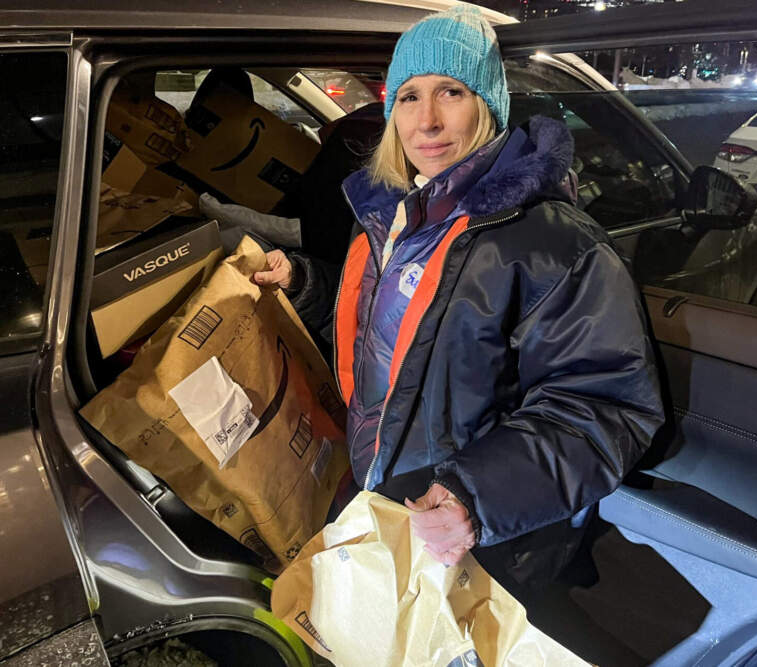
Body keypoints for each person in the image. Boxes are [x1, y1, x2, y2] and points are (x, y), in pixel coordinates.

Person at [254, 5, 665, 605]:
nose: (427, 120)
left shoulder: (553, 243)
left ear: (488, 105)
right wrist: (306, 286)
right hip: (388, 503)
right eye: (409, 97)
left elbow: (605, 407)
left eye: (451, 91)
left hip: (479, 543)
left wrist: (476, 497)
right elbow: (394, 333)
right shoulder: (393, 213)